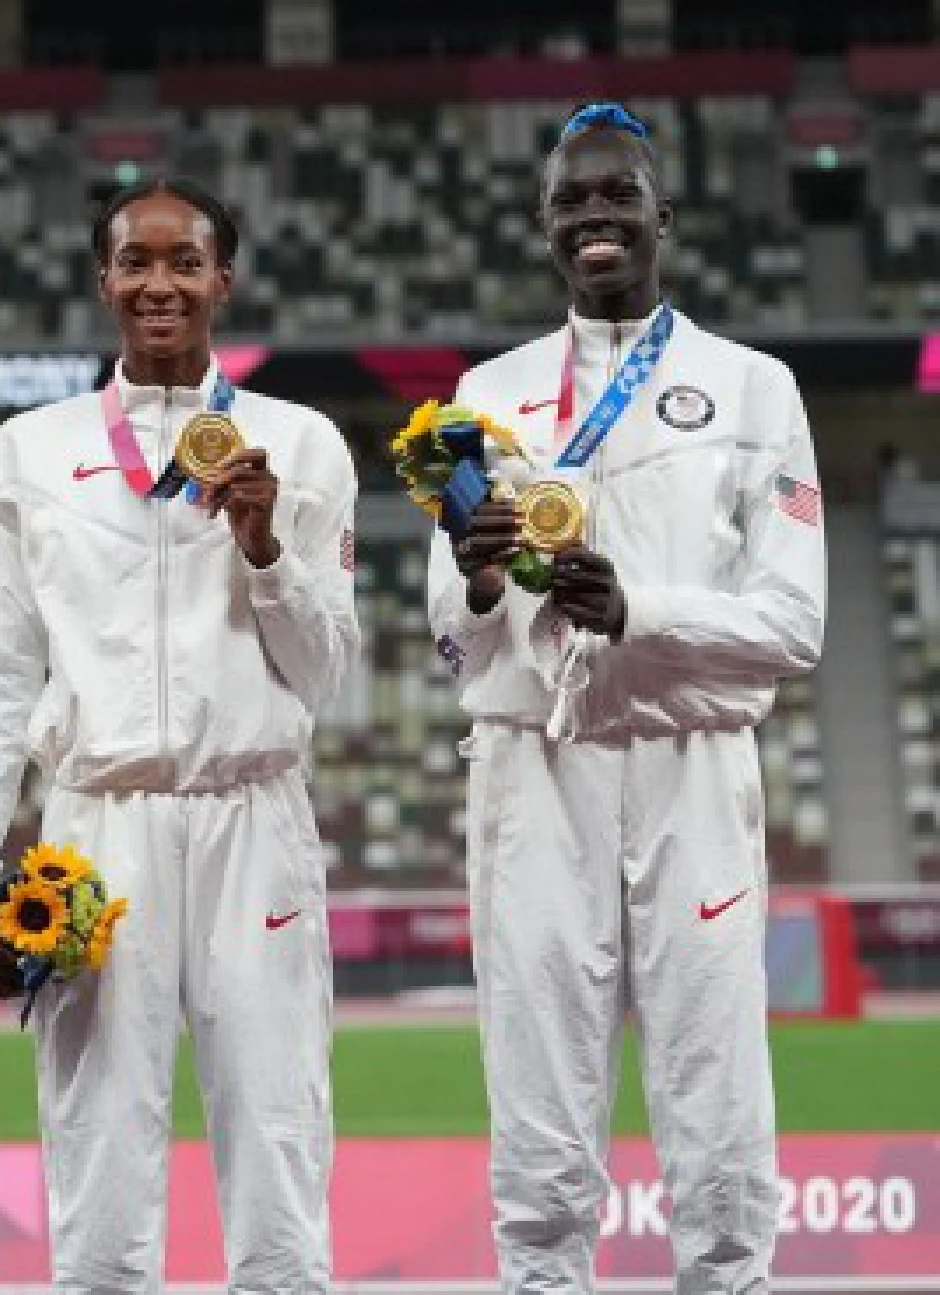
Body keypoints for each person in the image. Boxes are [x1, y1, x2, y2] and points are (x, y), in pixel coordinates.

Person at [428, 103, 825, 1293]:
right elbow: (451, 643)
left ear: (663, 217)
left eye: (615, 196)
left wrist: (638, 611)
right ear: (543, 225)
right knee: (537, 1085)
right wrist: (478, 577)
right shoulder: (480, 394)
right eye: (569, 201)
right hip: (529, 769)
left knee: (712, 1078)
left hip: (687, 766)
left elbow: (793, 628)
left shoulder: (751, 388)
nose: (592, 216)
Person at [0, 178, 359, 1293]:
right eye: (135, 261)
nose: (158, 283)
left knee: (275, 1130)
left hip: (253, 815)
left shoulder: (300, 444)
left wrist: (267, 549)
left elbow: (327, 671)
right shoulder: (30, 448)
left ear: (223, 279)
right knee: (96, 1144)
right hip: (94, 827)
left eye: (185, 262)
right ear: (102, 280)